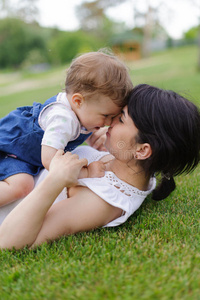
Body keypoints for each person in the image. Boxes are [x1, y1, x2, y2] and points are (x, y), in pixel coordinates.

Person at [0, 84, 200, 250]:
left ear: (142, 151)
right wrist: (112, 145)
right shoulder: (134, 166)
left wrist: (55, 180)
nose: (110, 122)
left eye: (121, 119)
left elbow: (8, 242)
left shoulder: (101, 201)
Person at [0, 49, 133, 207]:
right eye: (106, 116)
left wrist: (97, 141)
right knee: (21, 186)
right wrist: (85, 173)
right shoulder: (62, 119)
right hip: (11, 151)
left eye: (113, 117)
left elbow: (84, 131)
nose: (108, 122)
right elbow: (50, 160)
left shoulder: (83, 112)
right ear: (78, 101)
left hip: (25, 153)